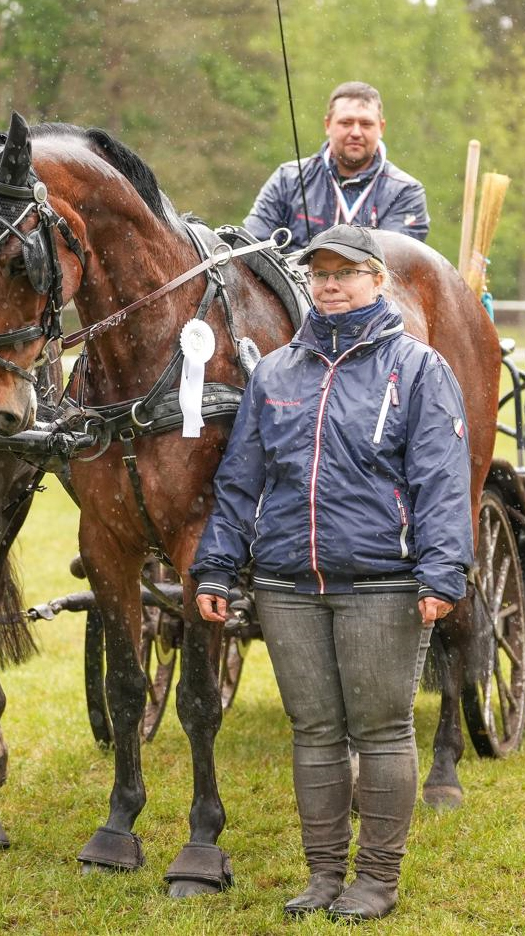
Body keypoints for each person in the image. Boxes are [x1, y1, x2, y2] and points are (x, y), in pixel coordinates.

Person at [191, 224, 472, 922]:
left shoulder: (416, 369)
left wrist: (441, 573)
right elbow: (239, 482)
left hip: (381, 580)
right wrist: (216, 568)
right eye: (318, 274)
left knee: (379, 730)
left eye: (345, 272)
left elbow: (440, 479)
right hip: (287, 583)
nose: (330, 284)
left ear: (378, 281)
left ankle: (375, 878)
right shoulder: (278, 373)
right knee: (313, 731)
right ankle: (322, 876)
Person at [243, 82, 429, 248]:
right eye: (346, 123)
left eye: (365, 124)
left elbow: (395, 264)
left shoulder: (406, 191)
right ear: (327, 124)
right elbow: (251, 245)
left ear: (381, 128)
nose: (356, 132)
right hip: (290, 287)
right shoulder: (288, 179)